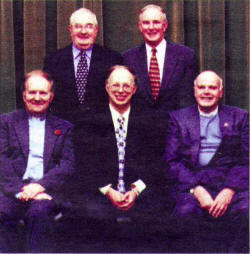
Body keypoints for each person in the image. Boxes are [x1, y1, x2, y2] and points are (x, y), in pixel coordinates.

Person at [74, 65, 168, 252]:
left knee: (156, 217)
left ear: (134, 89)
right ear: (107, 87)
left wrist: (135, 191)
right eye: (116, 85)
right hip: (102, 193)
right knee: (91, 217)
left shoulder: (149, 120)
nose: (121, 90)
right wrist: (109, 191)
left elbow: (156, 161)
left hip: (140, 194)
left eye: (126, 86)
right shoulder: (90, 120)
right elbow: (86, 163)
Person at [164, 70, 249, 252]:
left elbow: (246, 159)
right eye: (201, 87)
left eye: (212, 87)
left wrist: (229, 190)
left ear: (220, 91)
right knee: (185, 212)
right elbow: (172, 161)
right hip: (193, 184)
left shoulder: (240, 117)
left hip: (230, 184)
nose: (206, 92)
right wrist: (197, 190)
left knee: (247, 211)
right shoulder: (178, 118)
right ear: (194, 91)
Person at [0, 70, 74, 252]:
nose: (37, 97)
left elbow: (67, 164)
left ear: (51, 96)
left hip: (46, 192)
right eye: (32, 92)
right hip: (15, 192)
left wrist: (39, 187)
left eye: (43, 93)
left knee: (39, 213)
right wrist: (21, 191)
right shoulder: (7, 122)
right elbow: (1, 160)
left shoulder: (63, 127)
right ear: (24, 96)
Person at [123, 4, 198, 165]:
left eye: (156, 22)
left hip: (176, 139)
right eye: (146, 23)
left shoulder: (185, 56)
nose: (151, 27)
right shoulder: (128, 58)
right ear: (140, 26)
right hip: (139, 141)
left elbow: (188, 101)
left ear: (165, 26)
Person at [44, 7, 123, 123]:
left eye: (89, 26)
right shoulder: (53, 61)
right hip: (64, 132)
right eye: (78, 26)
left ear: (96, 30)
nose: (83, 31)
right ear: (70, 29)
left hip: (101, 131)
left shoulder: (112, 59)